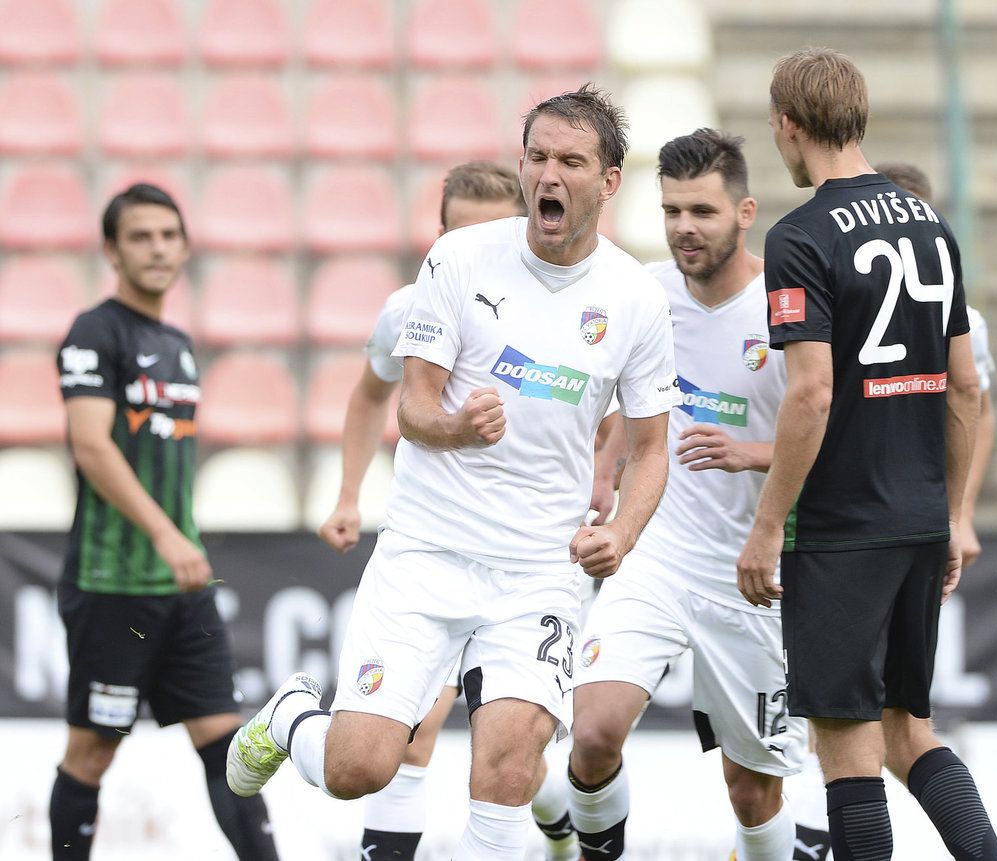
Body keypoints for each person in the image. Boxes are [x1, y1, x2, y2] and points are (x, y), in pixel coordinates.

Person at [227, 83, 680, 860]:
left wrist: (624, 532)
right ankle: (292, 720)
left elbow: (652, 446)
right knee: (358, 767)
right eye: (537, 156)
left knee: (505, 776)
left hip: (540, 568)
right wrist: (458, 427)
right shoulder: (460, 258)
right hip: (428, 552)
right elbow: (410, 410)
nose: (549, 175)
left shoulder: (636, 297)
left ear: (607, 182)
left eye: (571, 161)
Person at [738, 48, 997, 860]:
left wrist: (766, 526)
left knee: (848, 752)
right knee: (907, 732)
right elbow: (967, 389)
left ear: (788, 124)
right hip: (920, 517)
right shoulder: (931, 224)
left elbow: (810, 393)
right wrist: (952, 512)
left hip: (842, 526)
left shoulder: (799, 235)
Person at [317, 161, 585, 861]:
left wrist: (603, 491)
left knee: (513, 755)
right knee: (410, 733)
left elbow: (619, 411)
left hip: (529, 561)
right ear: (438, 237)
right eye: (457, 234)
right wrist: (349, 493)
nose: (474, 250)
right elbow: (373, 393)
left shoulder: (568, 310)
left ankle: (557, 823)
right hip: (437, 551)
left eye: (493, 231)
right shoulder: (411, 309)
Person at [566, 128, 809, 861]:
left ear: (744, 212)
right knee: (593, 731)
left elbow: (836, 433)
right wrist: (603, 469)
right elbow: (621, 401)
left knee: (751, 788)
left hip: (752, 575)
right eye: (672, 210)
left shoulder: (790, 308)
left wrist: (751, 453)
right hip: (658, 555)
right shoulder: (645, 291)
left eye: (701, 210)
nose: (684, 228)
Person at [51, 184, 279, 860]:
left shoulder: (177, 343)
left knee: (230, 749)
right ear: (111, 251)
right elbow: (91, 445)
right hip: (113, 583)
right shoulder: (94, 332)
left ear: (183, 248)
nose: (157, 248)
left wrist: (178, 543)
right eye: (141, 236)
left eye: (167, 236)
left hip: (185, 587)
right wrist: (162, 531)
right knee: (91, 753)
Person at [874, 161, 996, 569]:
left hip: (922, 509)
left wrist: (962, 515)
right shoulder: (843, 311)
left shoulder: (966, 323)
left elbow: (979, 408)